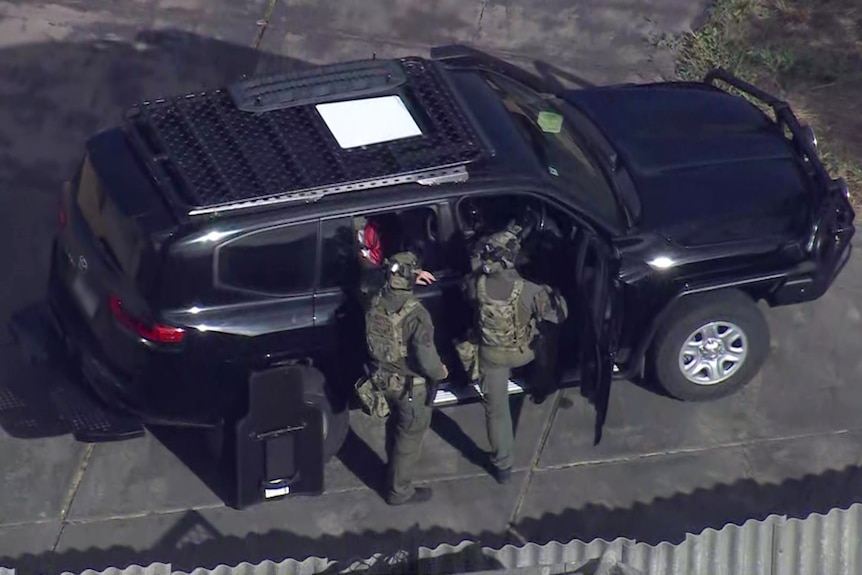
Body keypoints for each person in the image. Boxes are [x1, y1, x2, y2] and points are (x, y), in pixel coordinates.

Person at [464, 227, 568, 484]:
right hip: (524, 354)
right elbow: (558, 315)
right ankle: (542, 384)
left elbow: (469, 295)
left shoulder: (476, 285)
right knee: (548, 340)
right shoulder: (529, 290)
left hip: (491, 356)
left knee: (496, 412)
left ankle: (503, 466)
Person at [364, 251, 449, 505]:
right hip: (410, 388)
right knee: (409, 439)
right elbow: (426, 358)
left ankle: (390, 472)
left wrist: (408, 274)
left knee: (395, 429)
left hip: (380, 380)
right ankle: (399, 492)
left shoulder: (375, 300)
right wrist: (441, 372)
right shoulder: (417, 315)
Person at [356, 216, 436, 309]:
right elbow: (369, 280)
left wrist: (413, 272)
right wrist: (409, 277)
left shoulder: (410, 251)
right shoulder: (363, 262)